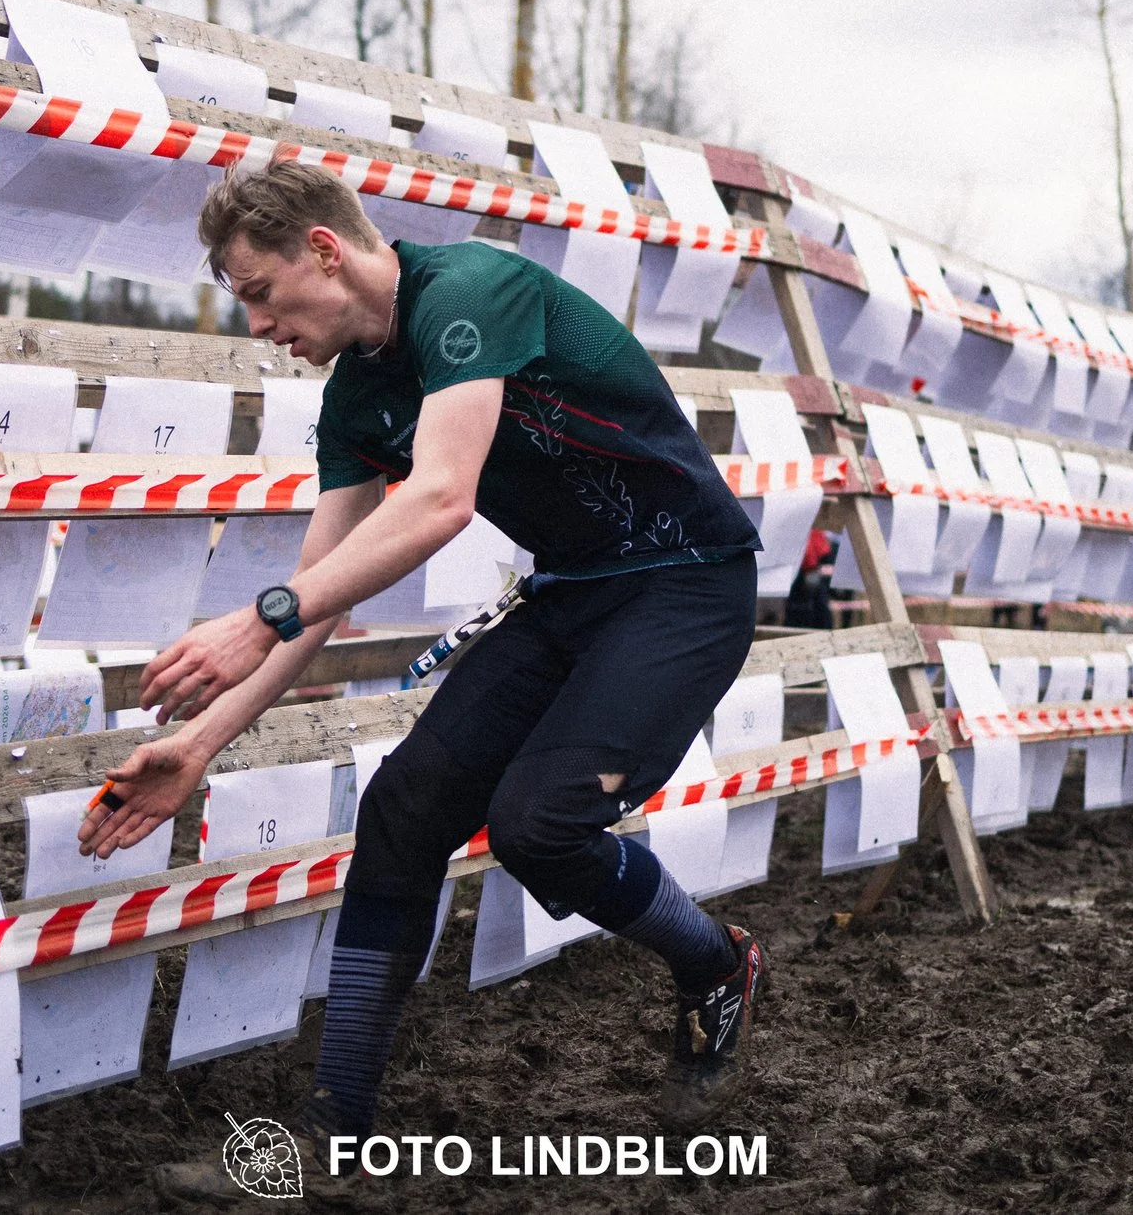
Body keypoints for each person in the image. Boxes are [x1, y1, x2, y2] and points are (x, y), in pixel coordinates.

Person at [76, 162, 770, 1172]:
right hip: (573, 590)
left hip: (686, 583)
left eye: (261, 292)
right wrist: (197, 745)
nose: (259, 326)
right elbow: (321, 594)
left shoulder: (471, 288)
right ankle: (335, 1132)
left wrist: (263, 614)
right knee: (402, 808)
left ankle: (715, 962)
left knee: (540, 824)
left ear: (324, 249)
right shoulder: (355, 398)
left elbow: (441, 499)